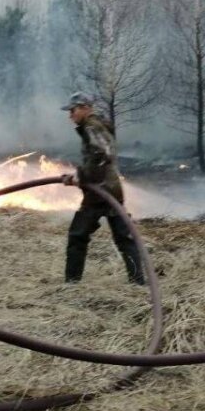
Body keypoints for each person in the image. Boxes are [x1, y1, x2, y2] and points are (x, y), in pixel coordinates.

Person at [60, 92, 144, 285]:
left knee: (77, 236)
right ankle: (138, 282)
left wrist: (79, 177)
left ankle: (71, 284)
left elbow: (101, 155)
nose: (70, 115)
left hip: (99, 193)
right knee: (124, 238)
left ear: (84, 108)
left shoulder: (91, 126)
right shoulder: (97, 126)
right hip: (111, 190)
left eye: (72, 110)